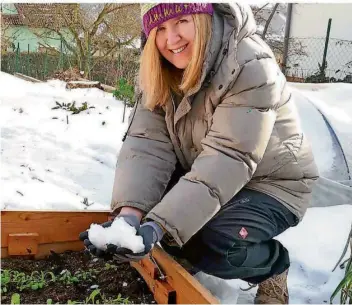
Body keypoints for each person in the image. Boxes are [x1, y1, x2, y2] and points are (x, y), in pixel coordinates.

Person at [80, 3, 319, 304]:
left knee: (212, 241)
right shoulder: (161, 70)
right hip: (209, 169)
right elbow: (146, 145)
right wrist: (129, 215)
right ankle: (188, 252)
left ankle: (272, 267)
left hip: (272, 183)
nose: (172, 39)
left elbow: (228, 157)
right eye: (160, 28)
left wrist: (159, 225)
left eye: (182, 20)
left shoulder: (250, 66)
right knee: (164, 218)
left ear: (205, 17)